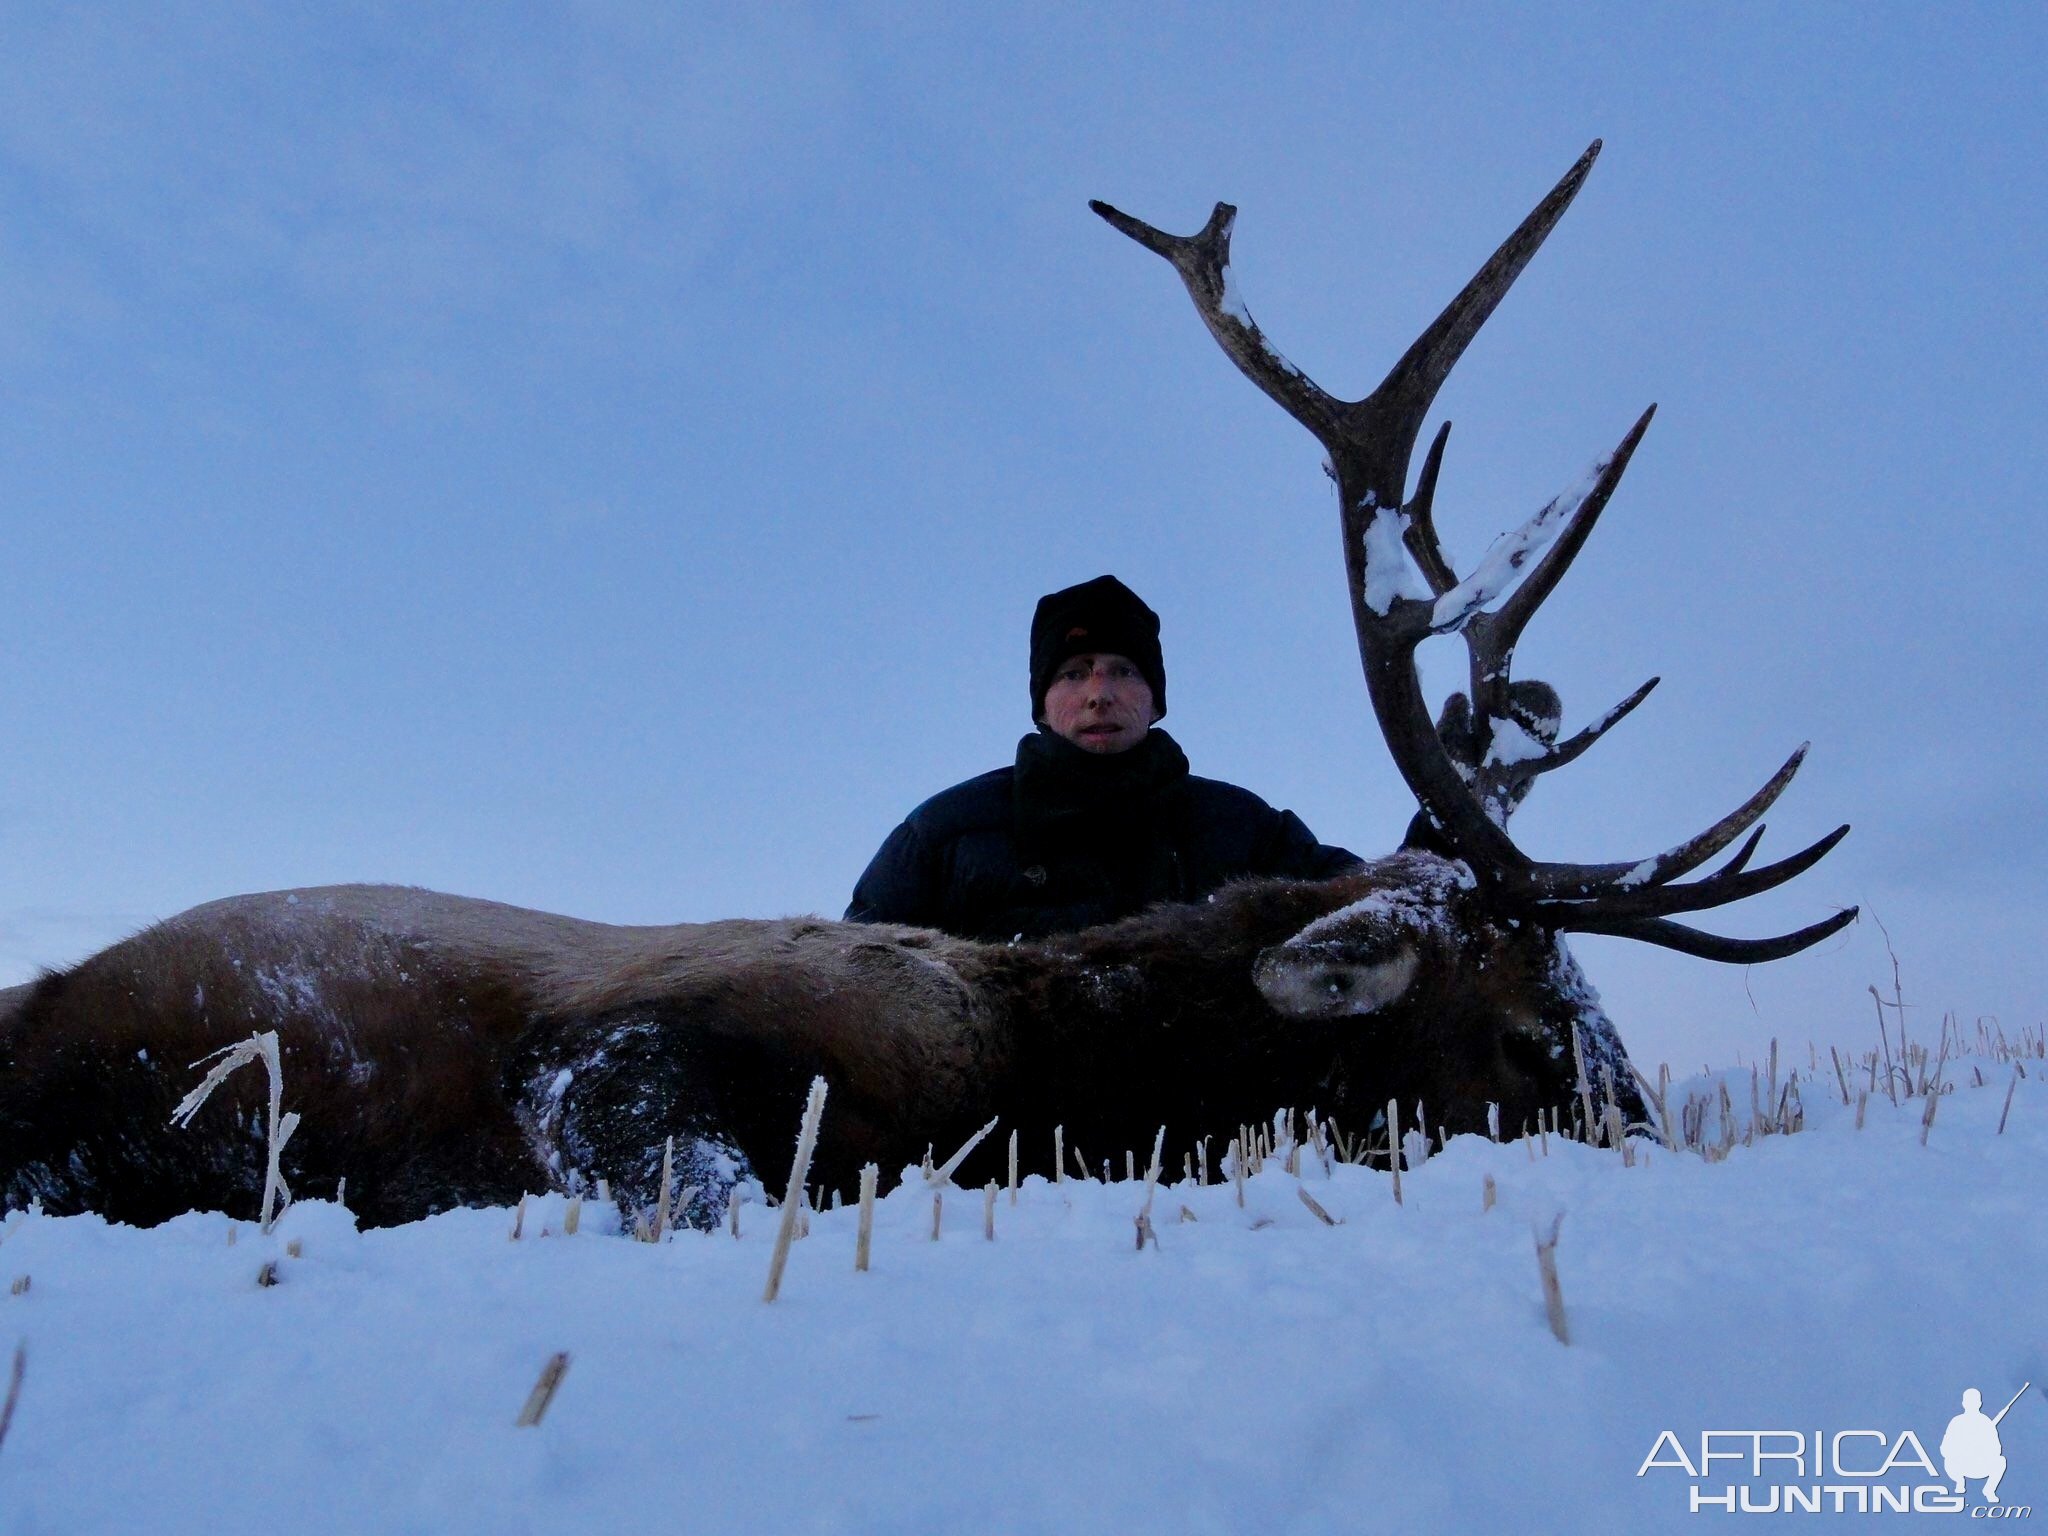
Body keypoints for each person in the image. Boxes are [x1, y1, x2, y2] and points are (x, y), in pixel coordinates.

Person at [846, 574, 1360, 941]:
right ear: (1042, 706)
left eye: (1123, 671)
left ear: (1155, 701)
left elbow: (1366, 902)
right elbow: (859, 973)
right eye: (1074, 673)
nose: (1100, 693)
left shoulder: (1244, 829)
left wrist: (1435, 822)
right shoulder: (942, 834)